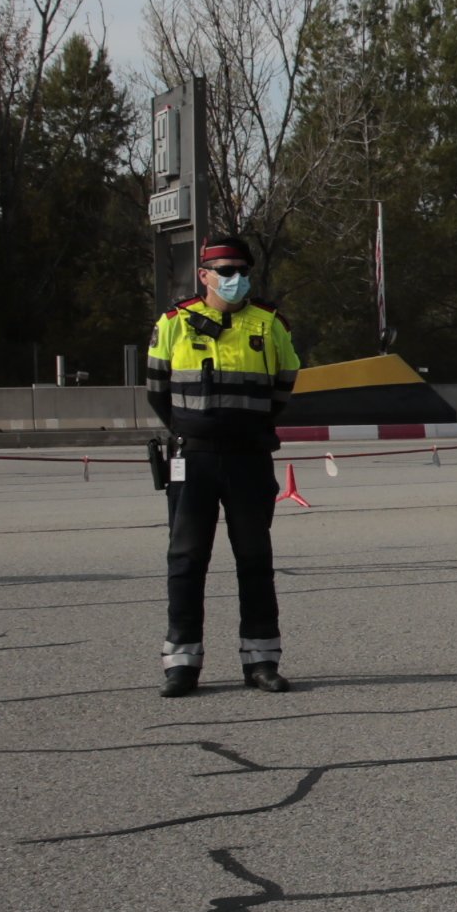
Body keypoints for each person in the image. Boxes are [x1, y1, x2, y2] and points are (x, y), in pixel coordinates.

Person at [148, 236, 302, 695]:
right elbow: (157, 391)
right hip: (192, 458)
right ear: (204, 275)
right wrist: (197, 428)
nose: (235, 278)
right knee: (186, 560)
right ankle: (182, 664)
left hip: (249, 456)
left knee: (255, 558)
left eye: (242, 270)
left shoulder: (269, 324)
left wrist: (245, 426)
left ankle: (261, 660)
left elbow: (284, 384)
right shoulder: (174, 323)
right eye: (225, 271)